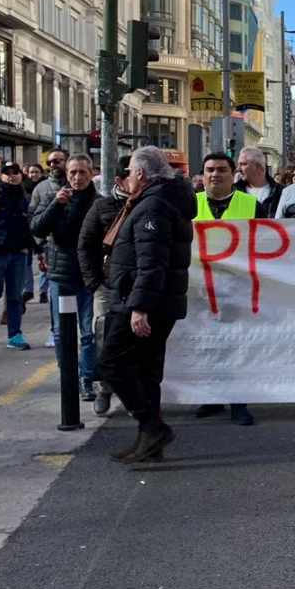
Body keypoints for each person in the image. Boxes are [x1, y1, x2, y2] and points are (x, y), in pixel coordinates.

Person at [96, 146, 194, 464]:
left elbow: (152, 262)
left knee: (111, 362)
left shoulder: (153, 205)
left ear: (140, 173)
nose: (125, 178)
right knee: (146, 371)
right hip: (153, 301)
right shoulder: (162, 200)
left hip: (144, 302)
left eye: (128, 172)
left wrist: (140, 307)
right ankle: (148, 441)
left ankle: (152, 427)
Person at [192, 152, 257, 427]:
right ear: (202, 174)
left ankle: (239, 402)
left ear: (234, 175)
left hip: (238, 286)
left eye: (221, 170)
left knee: (237, 346)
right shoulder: (189, 204)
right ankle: (212, 397)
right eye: (209, 170)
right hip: (198, 288)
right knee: (207, 346)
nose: (215, 174)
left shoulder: (252, 204)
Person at [30, 154, 101, 399]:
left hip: (89, 276)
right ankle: (67, 375)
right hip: (61, 274)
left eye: (82, 172)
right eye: (73, 172)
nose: (77, 177)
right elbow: (37, 228)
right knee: (60, 331)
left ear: (91, 173)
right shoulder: (56, 198)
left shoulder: (99, 202)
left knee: (88, 331)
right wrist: (56, 205)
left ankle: (87, 378)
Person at [77, 169, 131, 416]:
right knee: (104, 336)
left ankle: (134, 394)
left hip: (136, 285)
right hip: (107, 285)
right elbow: (85, 245)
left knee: (136, 340)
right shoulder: (102, 207)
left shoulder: (148, 204)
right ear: (120, 180)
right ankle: (105, 389)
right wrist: (94, 282)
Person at [0, 161, 36, 348]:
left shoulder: (25, 197)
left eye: (15, 172)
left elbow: (28, 226)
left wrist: (36, 249)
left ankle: (15, 334)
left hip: (18, 253)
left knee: (15, 296)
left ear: (21, 175)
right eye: (7, 173)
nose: (11, 175)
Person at [236, 146, 283, 218]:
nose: (238, 168)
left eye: (243, 164)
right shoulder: (233, 191)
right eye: (239, 164)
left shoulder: (281, 192)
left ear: (259, 166)